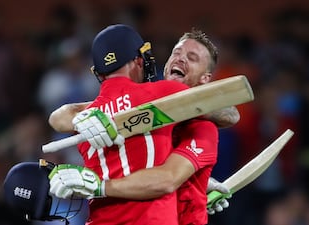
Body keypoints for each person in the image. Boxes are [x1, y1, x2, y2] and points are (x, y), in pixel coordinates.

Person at [48, 26, 238, 225]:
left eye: (192, 57)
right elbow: (167, 179)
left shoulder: (91, 118)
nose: (180, 59)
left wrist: (195, 184)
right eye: (177, 52)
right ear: (140, 60)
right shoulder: (160, 94)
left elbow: (59, 116)